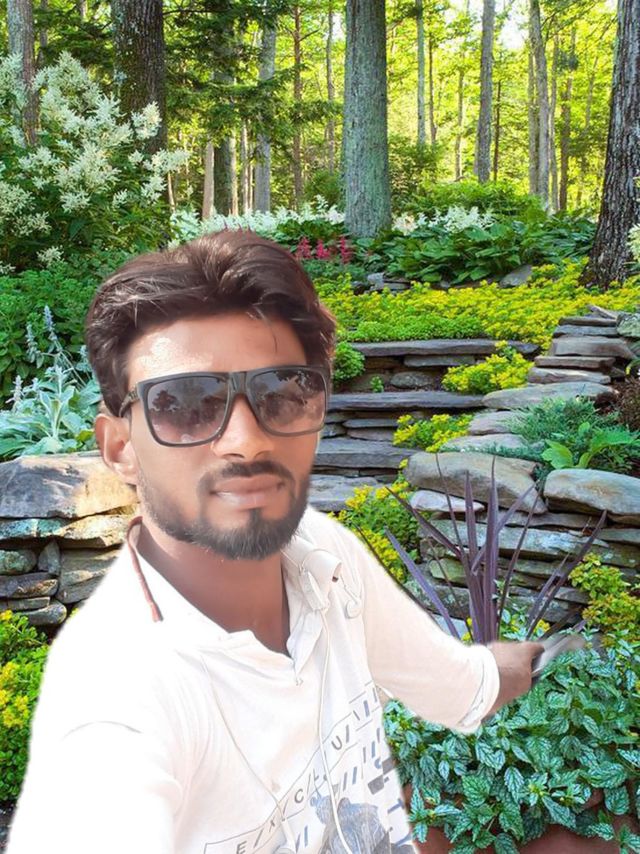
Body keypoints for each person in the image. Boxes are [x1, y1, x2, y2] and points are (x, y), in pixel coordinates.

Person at [7, 231, 542, 854]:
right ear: (120, 447)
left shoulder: (325, 558)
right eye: (183, 404)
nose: (247, 441)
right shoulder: (116, 704)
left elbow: (461, 685)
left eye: (283, 392)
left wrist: (558, 658)